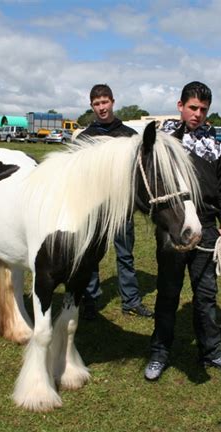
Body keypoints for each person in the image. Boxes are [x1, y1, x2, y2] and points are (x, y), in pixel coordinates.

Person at [144, 81, 221, 381]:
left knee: (206, 296)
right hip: (175, 229)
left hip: (208, 230)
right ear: (180, 106)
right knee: (168, 294)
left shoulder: (214, 145)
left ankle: (211, 351)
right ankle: (160, 353)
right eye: (193, 107)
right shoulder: (164, 143)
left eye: (203, 109)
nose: (197, 114)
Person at [78, 84, 153, 320]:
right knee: (90, 258)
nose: (101, 107)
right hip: (94, 208)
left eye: (105, 102)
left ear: (113, 101)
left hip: (122, 208)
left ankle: (130, 300)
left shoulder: (129, 135)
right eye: (97, 104)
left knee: (125, 255)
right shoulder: (85, 138)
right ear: (92, 106)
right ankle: (90, 301)